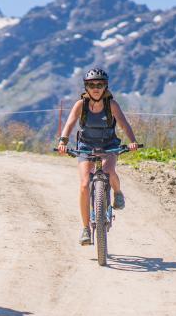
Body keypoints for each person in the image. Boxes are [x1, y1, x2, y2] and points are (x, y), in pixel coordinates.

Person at [56, 68, 139, 245]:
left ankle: (117, 192)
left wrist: (132, 141)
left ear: (105, 87)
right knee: (85, 184)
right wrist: (63, 141)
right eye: (91, 85)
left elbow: (124, 124)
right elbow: (70, 123)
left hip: (109, 145)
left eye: (100, 84)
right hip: (86, 146)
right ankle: (86, 229)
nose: (96, 88)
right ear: (86, 87)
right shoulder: (81, 105)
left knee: (109, 171)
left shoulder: (112, 105)